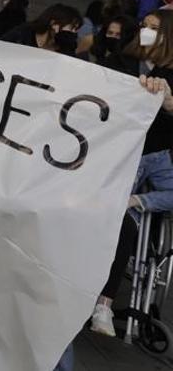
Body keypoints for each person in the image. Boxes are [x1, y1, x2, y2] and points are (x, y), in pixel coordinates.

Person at [90, 75, 173, 337]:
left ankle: (104, 304)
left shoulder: (159, 153)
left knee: (125, 226)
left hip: (150, 167)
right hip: (111, 156)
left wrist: (138, 200)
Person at [124, 11, 173, 154]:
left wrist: (169, 103)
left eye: (154, 28)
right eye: (144, 26)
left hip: (157, 148)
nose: (146, 31)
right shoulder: (121, 58)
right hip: (122, 143)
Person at [0, 4, 83, 54]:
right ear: (54, 24)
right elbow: (0, 47)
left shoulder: (67, 44)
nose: (74, 33)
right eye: (72, 28)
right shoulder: (23, 33)